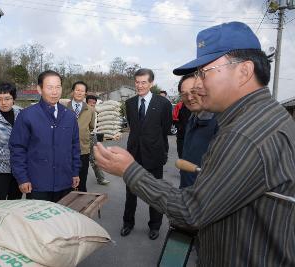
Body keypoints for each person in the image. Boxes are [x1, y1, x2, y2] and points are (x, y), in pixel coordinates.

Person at [94, 21, 295, 266]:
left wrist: (129, 170)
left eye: (204, 72)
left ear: (243, 71)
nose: (197, 84)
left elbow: (191, 211)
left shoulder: (244, 134)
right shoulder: (265, 117)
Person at [9, 70, 80, 203]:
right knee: (39, 222)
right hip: (37, 184)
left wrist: (75, 171)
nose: (55, 92)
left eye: (58, 87)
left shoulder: (69, 116)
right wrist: (22, 178)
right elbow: (17, 149)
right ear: (39, 89)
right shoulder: (27, 115)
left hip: (64, 181)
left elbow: (75, 146)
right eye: (50, 87)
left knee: (63, 221)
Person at [121, 68, 172, 240]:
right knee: (130, 191)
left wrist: (160, 150)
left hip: (154, 154)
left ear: (151, 83)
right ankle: (128, 223)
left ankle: (155, 226)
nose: (140, 85)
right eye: (137, 82)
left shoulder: (163, 104)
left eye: (144, 82)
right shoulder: (129, 103)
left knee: (155, 192)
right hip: (133, 154)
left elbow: (164, 129)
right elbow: (134, 129)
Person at [178, 73, 218, 188]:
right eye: (184, 94)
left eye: (193, 91)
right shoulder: (193, 119)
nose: (189, 98)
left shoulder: (220, 123)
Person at [66, 81, 95, 192]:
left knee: (82, 181)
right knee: (66, 181)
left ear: (85, 94)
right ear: (73, 92)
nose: (79, 92)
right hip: (65, 150)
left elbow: (91, 127)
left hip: (83, 150)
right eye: (77, 90)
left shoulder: (90, 110)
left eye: (82, 91)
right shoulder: (64, 107)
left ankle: (81, 206)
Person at [86, 94, 110, 185]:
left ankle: (100, 178)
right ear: (86, 102)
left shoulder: (96, 112)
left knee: (95, 158)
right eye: (90, 103)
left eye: (94, 103)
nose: (92, 105)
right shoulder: (83, 111)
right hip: (82, 138)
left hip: (93, 137)